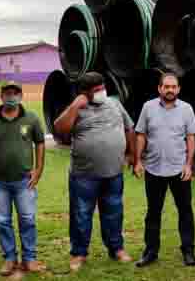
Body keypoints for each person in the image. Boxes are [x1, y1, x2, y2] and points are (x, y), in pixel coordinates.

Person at [54, 72, 135, 272]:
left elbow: (129, 128)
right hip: (84, 175)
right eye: (96, 90)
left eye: (102, 88)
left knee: (114, 212)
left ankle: (116, 249)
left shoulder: (115, 104)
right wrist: (75, 106)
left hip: (113, 172)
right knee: (81, 214)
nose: (101, 92)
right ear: (84, 93)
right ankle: (79, 253)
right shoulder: (77, 109)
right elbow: (60, 130)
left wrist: (133, 155)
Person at [0, 81, 46, 277]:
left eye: (15, 93)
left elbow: (40, 143)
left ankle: (29, 258)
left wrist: (38, 170)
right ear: (1, 96)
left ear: (21, 96)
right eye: (7, 93)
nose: (11, 97)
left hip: (24, 181)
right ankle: (9, 258)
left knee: (28, 219)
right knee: (2, 222)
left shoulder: (31, 118)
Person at [133, 72, 195, 268]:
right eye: (166, 86)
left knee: (185, 211)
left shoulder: (186, 109)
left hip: (179, 169)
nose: (170, 90)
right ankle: (150, 252)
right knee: (153, 212)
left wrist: (188, 165)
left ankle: (188, 251)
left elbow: (191, 138)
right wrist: (138, 161)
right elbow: (140, 135)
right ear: (159, 88)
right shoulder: (148, 107)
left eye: (173, 87)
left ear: (178, 89)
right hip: (154, 168)